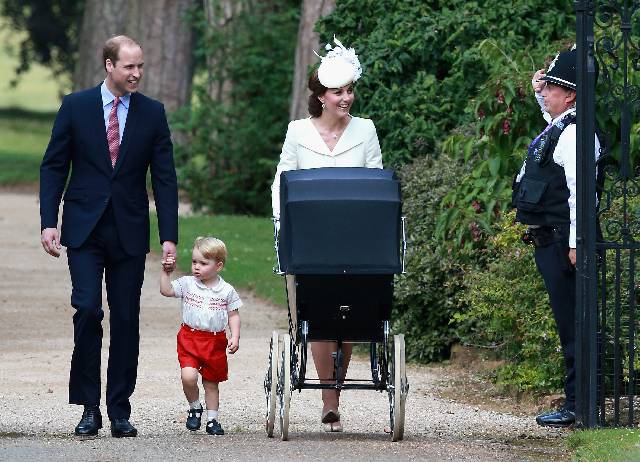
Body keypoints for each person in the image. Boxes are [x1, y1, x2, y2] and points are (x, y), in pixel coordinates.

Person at [39, 35, 179, 437]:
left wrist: (168, 234)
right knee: (87, 310)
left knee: (126, 318)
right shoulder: (76, 106)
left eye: (140, 67)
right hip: (84, 228)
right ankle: (88, 407)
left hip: (130, 231)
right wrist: (50, 221)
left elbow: (165, 178)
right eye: (128, 67)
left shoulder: (152, 113)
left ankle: (119, 409)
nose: (136, 74)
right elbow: (53, 166)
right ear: (108, 65)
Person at [271, 36, 383, 432]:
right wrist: (280, 222)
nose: (346, 97)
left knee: (349, 314)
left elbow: (376, 184)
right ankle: (329, 399)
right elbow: (282, 180)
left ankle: (334, 390)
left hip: (355, 236)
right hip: (310, 236)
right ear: (321, 96)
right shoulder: (298, 131)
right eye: (338, 91)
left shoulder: (366, 130)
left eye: (349, 90)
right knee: (318, 313)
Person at [512, 47, 600, 428]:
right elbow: (550, 124)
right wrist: (538, 92)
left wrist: (577, 243)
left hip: (563, 240)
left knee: (573, 323)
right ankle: (577, 402)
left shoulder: (576, 133)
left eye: (551, 87)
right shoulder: (563, 127)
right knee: (568, 321)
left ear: (571, 95)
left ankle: (579, 405)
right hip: (552, 239)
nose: (544, 91)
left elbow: (582, 192)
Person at [159, 236, 241, 436]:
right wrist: (166, 273)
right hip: (190, 338)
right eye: (195, 262)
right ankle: (195, 407)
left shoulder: (226, 291)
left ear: (218, 266)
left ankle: (213, 420)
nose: (196, 267)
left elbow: (233, 314)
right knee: (188, 376)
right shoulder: (188, 284)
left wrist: (235, 336)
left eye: (203, 263)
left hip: (214, 340)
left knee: (211, 383)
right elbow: (166, 290)